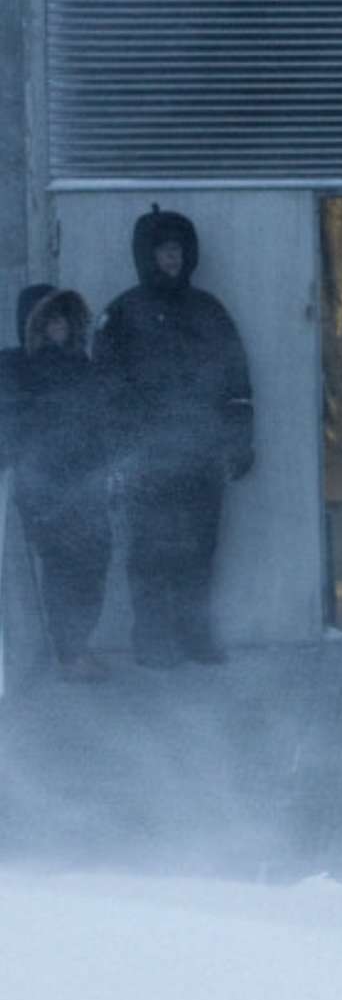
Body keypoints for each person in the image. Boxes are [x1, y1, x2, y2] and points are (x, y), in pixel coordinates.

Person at [93, 205, 254, 668]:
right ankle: (151, 639)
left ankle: (194, 636)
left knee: (199, 550)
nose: (172, 259)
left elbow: (237, 383)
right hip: (149, 459)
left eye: (178, 250)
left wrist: (240, 442)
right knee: (148, 551)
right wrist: (120, 452)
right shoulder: (122, 315)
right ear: (147, 256)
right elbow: (106, 391)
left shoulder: (209, 311)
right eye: (163, 251)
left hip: (201, 455)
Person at [0, 285, 113, 682]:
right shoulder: (16, 371)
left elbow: (101, 422)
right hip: (46, 489)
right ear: (33, 326)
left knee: (95, 563)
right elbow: (9, 428)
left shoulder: (82, 366)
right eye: (47, 320)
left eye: (62, 318)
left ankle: (77, 645)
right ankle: (70, 653)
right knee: (65, 569)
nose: (57, 327)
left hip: (88, 484)